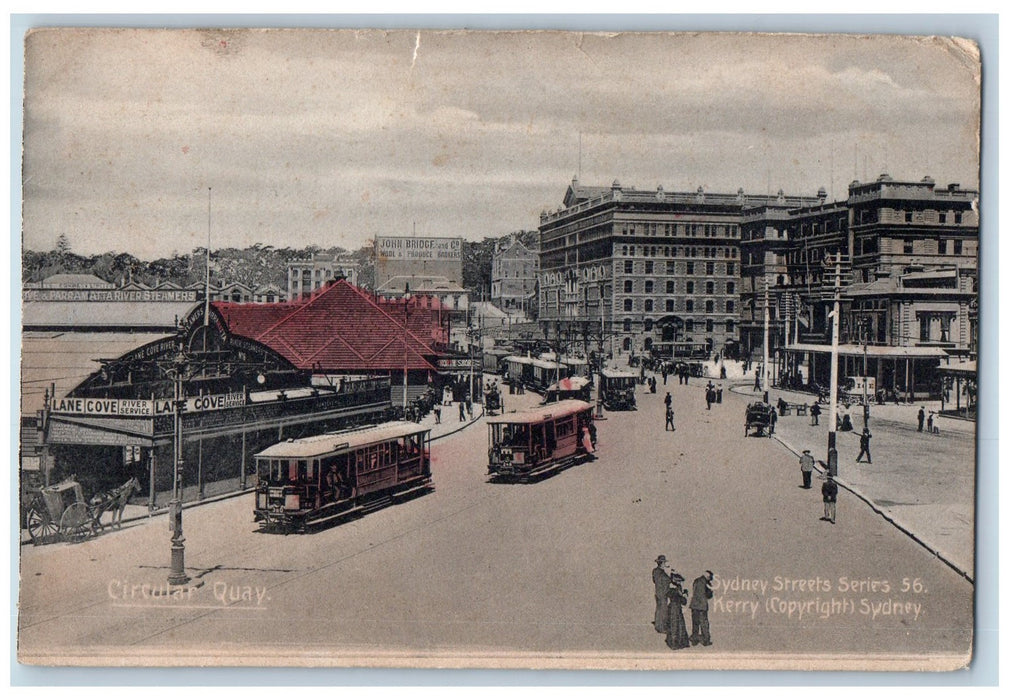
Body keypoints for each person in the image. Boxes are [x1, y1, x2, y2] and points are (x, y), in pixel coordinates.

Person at [665, 573, 690, 650]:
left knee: (675, 625)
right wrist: (684, 595)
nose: (681, 583)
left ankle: (675, 642)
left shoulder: (673, 589)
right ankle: (675, 643)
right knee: (676, 626)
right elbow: (683, 601)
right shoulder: (675, 590)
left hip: (674, 608)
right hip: (675, 609)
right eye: (679, 581)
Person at [689, 570, 714, 646]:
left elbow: (694, 591)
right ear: (708, 576)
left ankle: (694, 640)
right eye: (710, 577)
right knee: (704, 624)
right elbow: (709, 595)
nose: (710, 579)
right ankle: (706, 641)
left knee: (695, 624)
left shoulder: (696, 581)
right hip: (702, 607)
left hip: (694, 606)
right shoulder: (706, 583)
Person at [652, 556, 672, 633]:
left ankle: (658, 626)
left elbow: (654, 580)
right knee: (663, 610)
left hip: (657, 592)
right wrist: (669, 572)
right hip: (663, 593)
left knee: (658, 609)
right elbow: (668, 580)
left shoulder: (655, 571)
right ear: (662, 563)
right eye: (665, 563)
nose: (665, 564)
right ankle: (662, 628)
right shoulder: (662, 573)